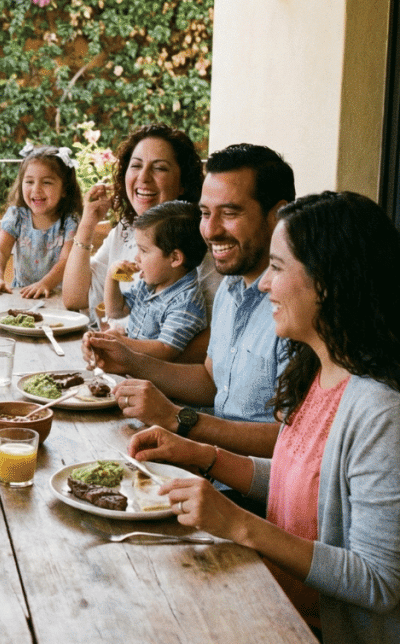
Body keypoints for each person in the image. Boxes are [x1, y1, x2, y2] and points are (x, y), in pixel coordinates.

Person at [129, 192, 400, 643]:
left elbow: (378, 582)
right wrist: (201, 454)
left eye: (277, 268)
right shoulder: (319, 370)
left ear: (328, 281)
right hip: (272, 600)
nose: (262, 285)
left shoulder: (381, 413)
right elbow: (299, 480)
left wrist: (237, 522)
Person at [91, 143, 295, 459]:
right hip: (205, 462)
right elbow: (211, 381)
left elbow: (293, 442)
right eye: (204, 213)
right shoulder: (231, 284)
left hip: (250, 488)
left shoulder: (297, 307)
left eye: (229, 213)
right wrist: (130, 360)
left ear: (278, 215)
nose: (210, 230)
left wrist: (180, 419)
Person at [62, 123, 221, 329]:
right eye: (136, 165)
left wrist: (128, 350)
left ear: (183, 183)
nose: (143, 177)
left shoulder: (198, 241)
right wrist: (87, 223)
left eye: (159, 168)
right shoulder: (127, 230)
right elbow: (75, 298)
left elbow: (211, 337)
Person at [102, 200, 208, 361]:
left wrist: (122, 342)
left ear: (175, 258)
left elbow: (165, 349)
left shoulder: (186, 302)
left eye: (143, 250)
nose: (136, 257)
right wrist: (112, 277)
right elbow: (116, 311)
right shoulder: (150, 284)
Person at [0, 144, 82, 298]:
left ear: (65, 188)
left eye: (47, 182)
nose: (36, 189)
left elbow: (66, 261)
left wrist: (44, 284)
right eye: (29, 182)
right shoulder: (17, 217)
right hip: (21, 295)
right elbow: (0, 252)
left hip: (58, 296)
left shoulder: (69, 221)